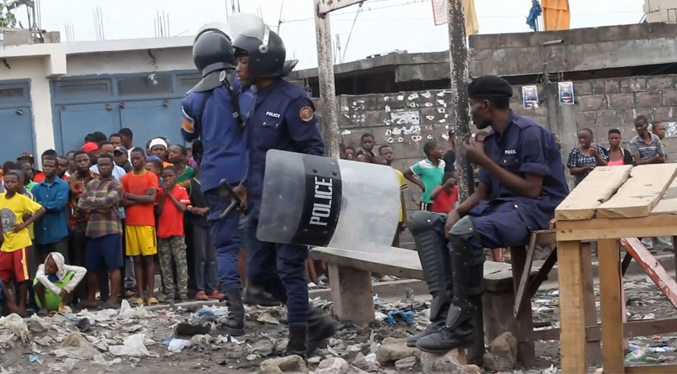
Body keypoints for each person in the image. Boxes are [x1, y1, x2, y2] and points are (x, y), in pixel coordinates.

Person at [408, 75, 568, 355]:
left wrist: (485, 162)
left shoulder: (530, 133)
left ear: (485, 104)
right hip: (503, 207)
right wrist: (455, 211)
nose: (470, 113)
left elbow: (532, 190)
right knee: (425, 223)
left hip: (536, 209)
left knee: (465, 231)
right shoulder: (492, 140)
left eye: (471, 106)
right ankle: (444, 318)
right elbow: (483, 193)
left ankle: (462, 326)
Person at [232, 19, 336, 356]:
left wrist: (299, 197)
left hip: (290, 202)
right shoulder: (256, 99)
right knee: (259, 277)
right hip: (262, 203)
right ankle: (314, 322)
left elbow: (313, 151)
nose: (238, 66)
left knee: (289, 270)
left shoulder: (292, 100)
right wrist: (247, 187)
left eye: (243, 59)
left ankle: (299, 343)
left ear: (262, 60)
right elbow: (259, 154)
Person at [181, 23, 252, 337]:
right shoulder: (243, 87)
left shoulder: (191, 99)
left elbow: (186, 134)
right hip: (250, 175)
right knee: (265, 239)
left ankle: (236, 318)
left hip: (214, 180)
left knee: (225, 247)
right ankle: (286, 303)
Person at [77, 154, 123, 309]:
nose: (103, 167)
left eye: (106, 165)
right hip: (92, 231)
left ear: (112, 166)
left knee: (113, 266)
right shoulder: (91, 184)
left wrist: (95, 204)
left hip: (110, 230)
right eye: (100, 165)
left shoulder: (116, 185)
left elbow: (108, 201)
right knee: (92, 267)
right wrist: (100, 206)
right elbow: (81, 204)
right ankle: (91, 298)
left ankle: (113, 299)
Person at [0, 171, 46, 315]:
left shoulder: (22, 199)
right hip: (6, 243)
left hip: (21, 242)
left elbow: (41, 209)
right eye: (7, 182)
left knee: (22, 277)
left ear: (19, 183)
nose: (9, 184)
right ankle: (10, 304)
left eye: (13, 182)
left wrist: (24, 224)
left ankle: (22, 306)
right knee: (2, 276)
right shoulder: (0, 198)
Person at [120, 148, 158, 306]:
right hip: (131, 223)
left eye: (138, 158)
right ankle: (140, 295)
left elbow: (152, 199)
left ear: (144, 158)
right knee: (136, 260)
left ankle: (151, 295)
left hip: (147, 223)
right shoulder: (125, 178)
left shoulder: (151, 176)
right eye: (133, 159)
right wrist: (142, 198)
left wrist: (131, 196)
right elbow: (121, 201)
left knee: (149, 259)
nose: (135, 161)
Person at [185, 166, 223, 300]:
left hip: (212, 223)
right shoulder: (190, 183)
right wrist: (193, 209)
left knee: (212, 258)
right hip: (198, 223)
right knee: (200, 257)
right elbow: (181, 200)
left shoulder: (214, 184)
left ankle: (212, 288)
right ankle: (199, 288)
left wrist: (207, 208)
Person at [155, 166, 191, 302]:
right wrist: (163, 196)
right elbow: (158, 211)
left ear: (176, 177)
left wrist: (169, 194)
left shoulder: (181, 191)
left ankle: (183, 293)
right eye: (165, 177)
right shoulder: (159, 192)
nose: (168, 179)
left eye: (171, 176)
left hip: (177, 232)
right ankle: (170, 292)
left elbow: (183, 208)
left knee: (181, 263)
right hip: (163, 232)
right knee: (165, 264)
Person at [67, 151, 96, 303]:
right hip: (77, 224)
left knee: (94, 260)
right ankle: (80, 295)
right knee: (78, 260)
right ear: (75, 162)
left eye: (85, 160)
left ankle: (95, 294)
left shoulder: (97, 178)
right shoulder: (69, 180)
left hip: (96, 223)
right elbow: (67, 204)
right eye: (79, 161)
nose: (83, 163)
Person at [32, 156, 70, 263]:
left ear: (57, 168)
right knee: (44, 267)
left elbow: (58, 205)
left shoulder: (63, 185)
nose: (47, 168)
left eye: (51, 166)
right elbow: (32, 207)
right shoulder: (36, 188)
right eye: (45, 166)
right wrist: (44, 205)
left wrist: (39, 205)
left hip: (58, 233)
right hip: (41, 234)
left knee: (62, 265)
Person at [374, 156, 408, 246]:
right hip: (378, 216)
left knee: (395, 243)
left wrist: (404, 216)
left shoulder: (397, 174)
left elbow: (401, 195)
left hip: (395, 215)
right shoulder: (371, 177)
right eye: (380, 166)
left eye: (385, 165)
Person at [403, 141, 446, 212]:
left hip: (440, 199)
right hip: (428, 201)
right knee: (426, 221)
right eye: (439, 149)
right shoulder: (422, 164)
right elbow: (406, 173)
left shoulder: (442, 163)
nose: (442, 151)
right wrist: (420, 184)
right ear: (431, 151)